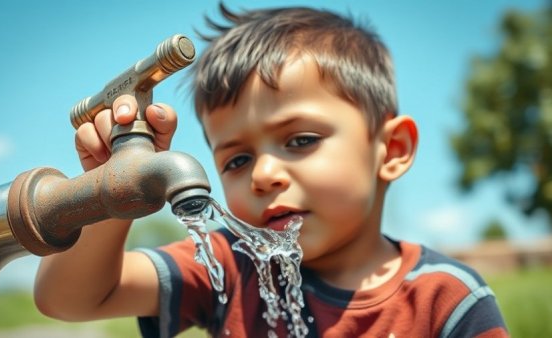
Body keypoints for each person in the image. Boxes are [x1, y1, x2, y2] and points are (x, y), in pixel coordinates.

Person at [34, 4, 509, 337]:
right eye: (236, 159)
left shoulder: (445, 300)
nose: (263, 175)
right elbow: (70, 300)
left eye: (300, 140)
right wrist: (114, 190)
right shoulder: (230, 265)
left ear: (392, 149)